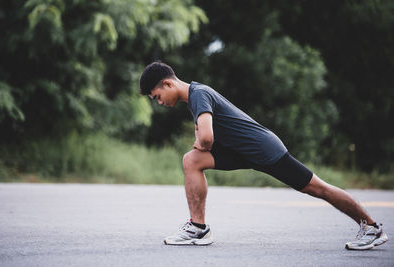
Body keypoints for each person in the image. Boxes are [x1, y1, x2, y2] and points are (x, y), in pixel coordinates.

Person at [139, 61, 388, 250]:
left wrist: (202, 143)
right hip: (242, 152)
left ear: (168, 84)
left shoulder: (198, 94)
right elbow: (202, 133)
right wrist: (200, 143)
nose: (159, 102)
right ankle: (198, 228)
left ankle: (372, 227)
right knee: (191, 161)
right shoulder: (195, 98)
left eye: (158, 97)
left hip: (263, 149)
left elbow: (206, 137)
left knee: (317, 187)